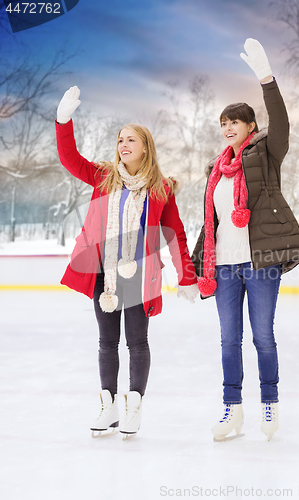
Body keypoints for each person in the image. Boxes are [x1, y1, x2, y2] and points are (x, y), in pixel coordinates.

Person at [55, 86, 198, 439]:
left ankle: (134, 407)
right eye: (120, 140)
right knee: (106, 342)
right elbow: (70, 159)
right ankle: (109, 407)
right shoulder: (104, 177)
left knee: (137, 342)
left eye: (130, 139)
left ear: (145, 147)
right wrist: (63, 121)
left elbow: (175, 234)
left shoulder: (161, 188)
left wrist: (187, 277)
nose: (123, 145)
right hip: (104, 274)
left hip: (139, 275)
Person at [191, 39, 299, 441]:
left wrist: (266, 78)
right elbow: (213, 223)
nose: (227, 128)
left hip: (259, 264)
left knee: (262, 337)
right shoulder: (215, 169)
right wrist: (195, 268)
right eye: (223, 123)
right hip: (223, 265)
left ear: (250, 127)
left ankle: (270, 404)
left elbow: (283, 123)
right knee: (228, 340)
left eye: (234, 122)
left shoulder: (267, 154)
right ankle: (232, 410)